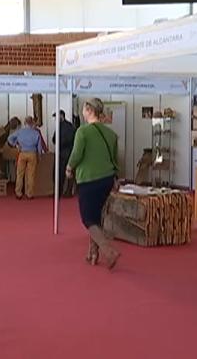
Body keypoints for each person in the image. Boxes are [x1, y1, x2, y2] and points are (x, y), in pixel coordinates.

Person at [66, 98, 121, 270]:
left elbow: (76, 154)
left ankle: (108, 251)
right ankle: (93, 253)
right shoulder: (111, 134)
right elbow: (115, 158)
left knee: (88, 219)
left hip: (89, 179)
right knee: (96, 217)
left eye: (84, 108)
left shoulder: (82, 131)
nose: (82, 111)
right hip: (107, 179)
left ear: (89, 110)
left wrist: (69, 168)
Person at [8, 116, 44, 200]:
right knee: (31, 175)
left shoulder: (20, 132)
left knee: (20, 174)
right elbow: (39, 146)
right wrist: (39, 155)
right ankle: (29, 194)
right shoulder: (36, 133)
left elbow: (9, 138)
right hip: (32, 154)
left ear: (25, 123)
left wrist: (15, 145)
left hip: (22, 153)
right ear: (32, 123)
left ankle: (18, 193)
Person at [52, 110, 77, 197]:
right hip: (63, 152)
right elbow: (54, 138)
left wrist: (59, 143)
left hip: (65, 152)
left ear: (62, 115)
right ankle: (61, 192)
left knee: (64, 173)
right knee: (60, 173)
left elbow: (70, 139)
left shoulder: (68, 126)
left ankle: (66, 192)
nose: (56, 118)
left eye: (57, 116)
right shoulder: (61, 126)